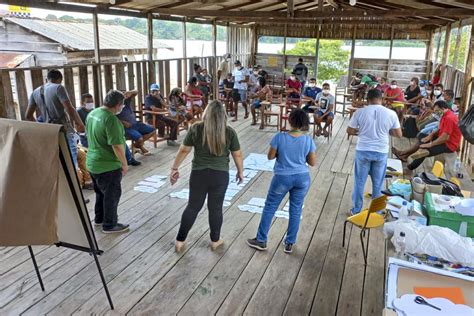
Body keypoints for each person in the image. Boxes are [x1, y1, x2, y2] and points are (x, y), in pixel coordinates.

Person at [170, 100, 244, 253]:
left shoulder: (196, 128)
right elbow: (237, 154)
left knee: (193, 207)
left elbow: (184, 150)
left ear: (206, 113)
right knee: (215, 208)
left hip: (199, 174)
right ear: (223, 116)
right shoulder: (229, 131)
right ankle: (215, 240)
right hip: (220, 175)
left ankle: (180, 240)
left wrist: (174, 168)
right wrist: (240, 171)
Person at [247, 109, 316, 254]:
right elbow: (312, 162)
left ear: (289, 120)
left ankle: (261, 239)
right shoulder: (308, 140)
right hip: (302, 178)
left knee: (270, 206)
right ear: (304, 123)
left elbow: (270, 157)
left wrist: (282, 153)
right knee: (296, 209)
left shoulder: (280, 137)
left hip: (282, 177)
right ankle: (289, 243)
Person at [347, 89, 402, 215]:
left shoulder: (359, 112)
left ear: (368, 100)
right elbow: (398, 134)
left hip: (363, 150)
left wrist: (360, 132)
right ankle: (377, 211)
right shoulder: (391, 113)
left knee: (359, 182)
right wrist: (386, 131)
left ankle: (356, 210)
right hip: (381, 151)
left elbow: (350, 130)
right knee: (378, 183)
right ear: (381, 99)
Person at [86, 90, 129, 233]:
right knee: (111, 194)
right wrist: (124, 163)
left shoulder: (93, 113)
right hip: (107, 164)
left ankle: (99, 219)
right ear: (118, 105)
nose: (121, 108)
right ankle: (110, 224)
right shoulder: (111, 120)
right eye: (122, 106)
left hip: (92, 161)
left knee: (100, 193)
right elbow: (116, 145)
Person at [25, 69, 85, 168]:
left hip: (48, 132)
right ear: (60, 79)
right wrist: (80, 123)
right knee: (71, 162)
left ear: (47, 79)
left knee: (56, 163)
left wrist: (40, 128)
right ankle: (74, 181)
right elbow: (69, 108)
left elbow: (28, 116)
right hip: (63, 130)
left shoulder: (35, 92)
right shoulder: (58, 88)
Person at [76, 92, 141, 167]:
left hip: (98, 135)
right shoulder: (80, 112)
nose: (90, 103)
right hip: (87, 137)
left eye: (91, 101)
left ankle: (129, 159)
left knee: (121, 141)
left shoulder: (94, 111)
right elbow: (79, 128)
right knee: (116, 143)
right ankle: (124, 161)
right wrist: (124, 165)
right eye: (88, 102)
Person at [403, 100, 461, 171]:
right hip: (442, 138)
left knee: (425, 151)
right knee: (422, 135)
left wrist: (430, 144)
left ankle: (410, 167)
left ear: (442, 108)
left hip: (449, 144)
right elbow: (440, 129)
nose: (435, 112)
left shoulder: (449, 118)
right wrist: (431, 135)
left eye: (437, 110)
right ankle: (410, 152)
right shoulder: (445, 114)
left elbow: (445, 138)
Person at [117, 90, 155, 156]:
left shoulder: (126, 101)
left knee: (153, 130)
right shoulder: (115, 105)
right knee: (139, 138)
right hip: (126, 128)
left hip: (136, 124)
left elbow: (136, 92)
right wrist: (123, 122)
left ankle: (134, 146)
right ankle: (140, 146)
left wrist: (130, 93)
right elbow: (111, 117)